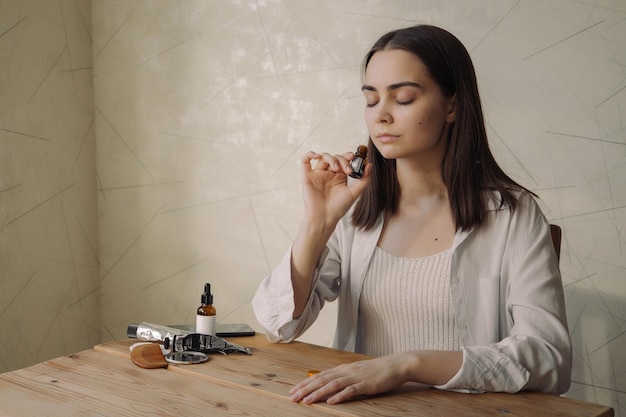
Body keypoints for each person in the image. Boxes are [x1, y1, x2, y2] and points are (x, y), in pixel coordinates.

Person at [252, 24, 572, 405]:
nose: (381, 116)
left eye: (403, 98)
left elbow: (550, 359)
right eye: (371, 100)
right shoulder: (358, 211)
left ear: (452, 105)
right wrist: (318, 223)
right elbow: (277, 325)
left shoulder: (512, 216)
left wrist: (408, 364)